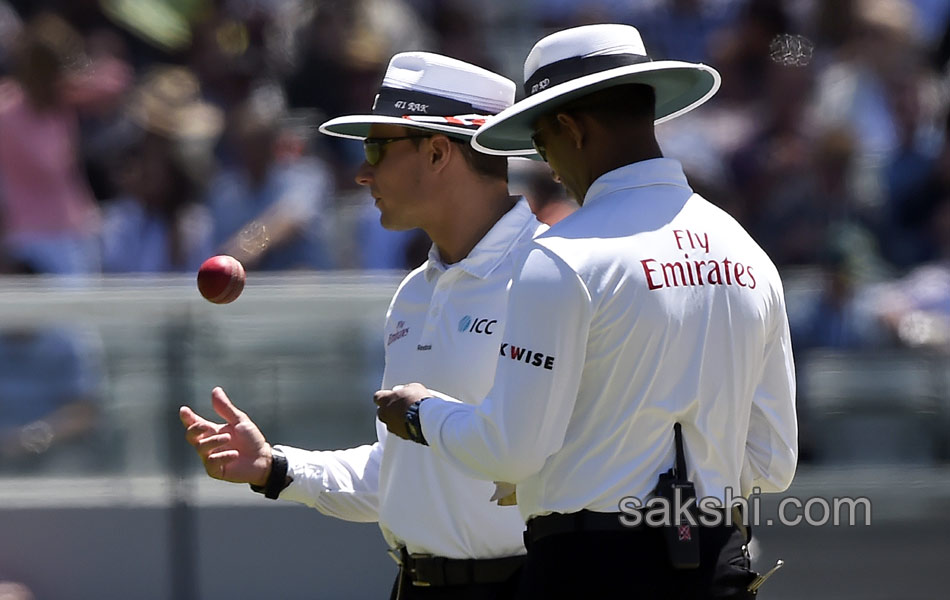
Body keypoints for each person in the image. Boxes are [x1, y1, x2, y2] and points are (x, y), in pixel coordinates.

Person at [375, 24, 798, 598]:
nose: (547, 167)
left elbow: (512, 450)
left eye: (543, 143)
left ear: (571, 128)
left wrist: (423, 413)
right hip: (717, 563)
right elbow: (773, 460)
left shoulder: (563, 257)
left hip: (589, 570)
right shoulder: (746, 250)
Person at [180, 52, 548, 599]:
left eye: (377, 147)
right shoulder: (412, 293)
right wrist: (275, 466)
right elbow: (400, 477)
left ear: (439, 151)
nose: (362, 171)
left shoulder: (552, 275)